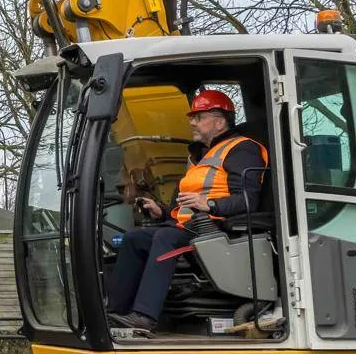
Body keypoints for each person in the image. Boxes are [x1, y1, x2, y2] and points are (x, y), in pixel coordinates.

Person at [106, 89, 269, 335]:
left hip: (216, 228)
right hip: (190, 225)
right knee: (134, 239)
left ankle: (145, 317)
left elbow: (248, 200)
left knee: (166, 238)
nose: (192, 122)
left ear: (220, 121)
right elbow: (186, 204)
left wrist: (209, 204)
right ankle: (114, 312)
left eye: (198, 117)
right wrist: (162, 212)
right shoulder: (199, 156)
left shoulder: (242, 149)